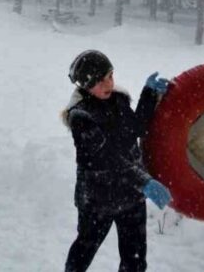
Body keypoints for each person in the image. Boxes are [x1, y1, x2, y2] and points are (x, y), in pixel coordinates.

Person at [63, 50, 173, 272]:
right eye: (100, 80)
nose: (109, 84)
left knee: (135, 259)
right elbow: (106, 158)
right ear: (86, 84)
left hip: (130, 195)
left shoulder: (118, 100)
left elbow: (136, 128)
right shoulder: (81, 117)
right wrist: (144, 181)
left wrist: (149, 95)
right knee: (85, 249)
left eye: (110, 76)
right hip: (98, 199)